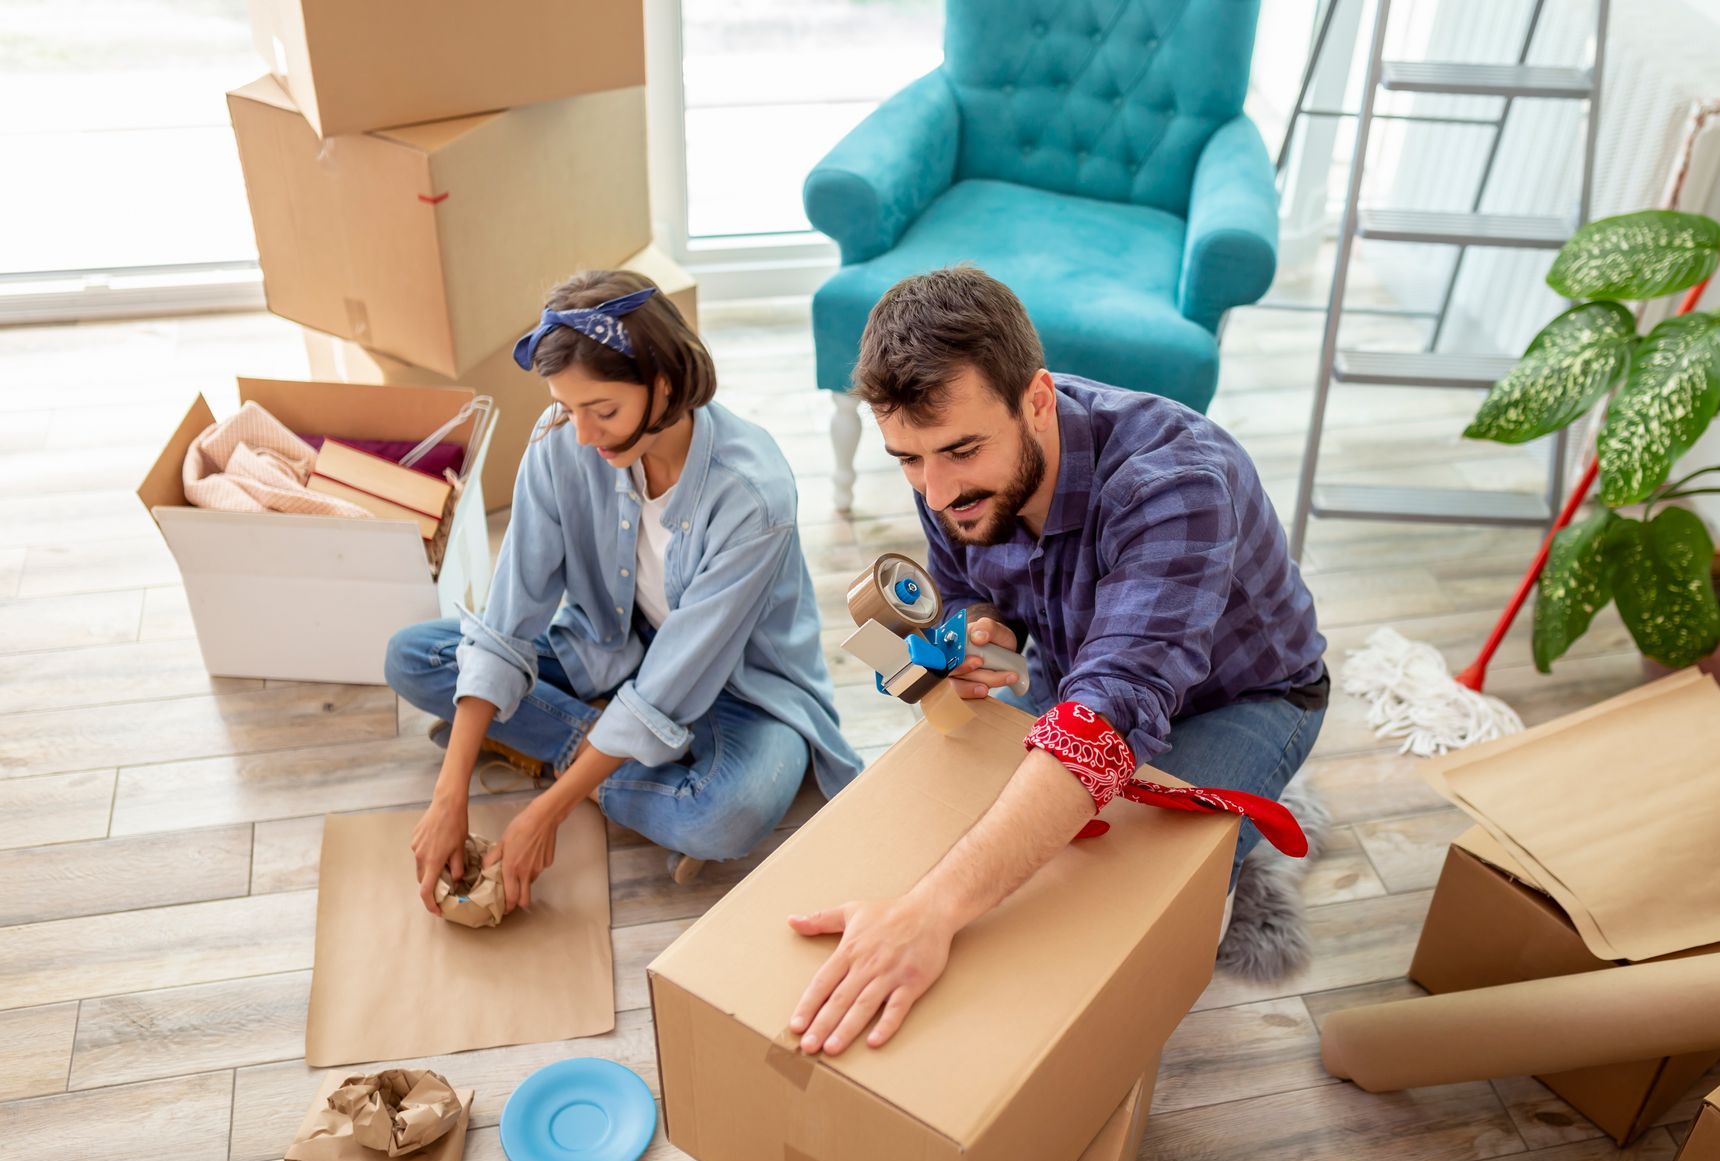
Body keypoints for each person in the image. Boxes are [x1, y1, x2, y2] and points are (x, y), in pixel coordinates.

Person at [787, 266, 1327, 1057]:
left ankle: (1238, 851)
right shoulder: (950, 463)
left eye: (960, 452)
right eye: (908, 460)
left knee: (1116, 918)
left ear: (1037, 398)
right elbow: (973, 588)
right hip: (1080, 674)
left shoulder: (1175, 482)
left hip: (1242, 697)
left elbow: (1110, 711)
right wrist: (981, 631)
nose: (934, 492)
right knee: (961, 817)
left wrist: (932, 913)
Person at [386, 268, 860, 917]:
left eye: (602, 410)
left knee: (725, 817)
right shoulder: (563, 441)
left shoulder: (754, 496)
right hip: (611, 646)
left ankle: (561, 750)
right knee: (413, 657)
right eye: (567, 406)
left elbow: (676, 681)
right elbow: (508, 618)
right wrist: (450, 792)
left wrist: (544, 812)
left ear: (663, 383)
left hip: (743, 691)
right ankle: (597, 745)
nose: (580, 432)